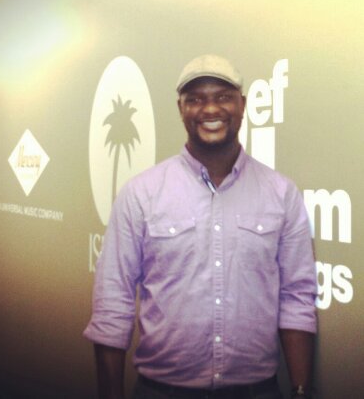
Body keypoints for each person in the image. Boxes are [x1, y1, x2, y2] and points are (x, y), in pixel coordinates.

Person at [84, 55, 317, 399]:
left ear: (242, 105)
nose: (210, 109)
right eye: (195, 99)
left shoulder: (282, 194)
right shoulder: (140, 194)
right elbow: (112, 301)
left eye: (223, 97)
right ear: (181, 109)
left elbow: (297, 297)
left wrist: (299, 390)